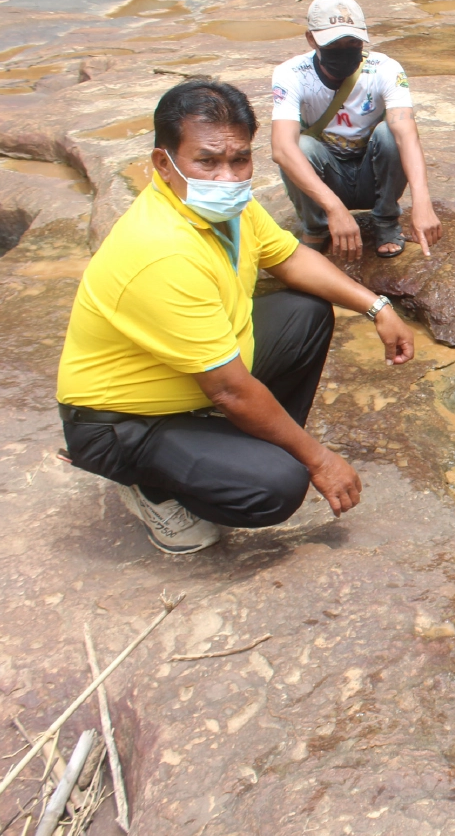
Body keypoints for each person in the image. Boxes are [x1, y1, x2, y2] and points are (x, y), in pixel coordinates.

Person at [56, 79, 419, 554]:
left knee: (304, 312)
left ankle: (232, 444)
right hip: (118, 421)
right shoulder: (161, 251)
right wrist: (317, 459)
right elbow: (229, 389)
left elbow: (289, 258)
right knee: (276, 486)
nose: (227, 176)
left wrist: (376, 306)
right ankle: (152, 487)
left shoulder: (230, 209)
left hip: (189, 378)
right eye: (206, 160)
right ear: (164, 164)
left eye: (239, 159)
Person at [271, 0, 440, 260]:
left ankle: (385, 220)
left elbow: (407, 137)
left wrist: (422, 201)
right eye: (334, 43)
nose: (344, 50)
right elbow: (281, 149)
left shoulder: (385, 69)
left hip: (369, 175)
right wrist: (335, 208)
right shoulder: (291, 74)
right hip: (327, 178)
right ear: (311, 39)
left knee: (390, 133)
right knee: (299, 146)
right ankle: (316, 228)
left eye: (352, 42)